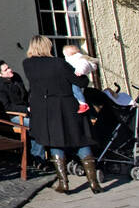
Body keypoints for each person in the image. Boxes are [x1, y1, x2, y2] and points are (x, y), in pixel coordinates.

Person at [22, 35, 101, 194]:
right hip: (66, 105)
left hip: (44, 108)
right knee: (80, 140)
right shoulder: (59, 63)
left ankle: (63, 183)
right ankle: (93, 182)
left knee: (55, 142)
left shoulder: (27, 64)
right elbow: (81, 82)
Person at [0, 59, 47, 166]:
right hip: (11, 116)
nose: (10, 70)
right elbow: (7, 107)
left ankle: (45, 156)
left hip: (26, 111)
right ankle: (38, 158)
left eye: (9, 67)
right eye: (6, 70)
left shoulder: (15, 77)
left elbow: (25, 94)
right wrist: (26, 110)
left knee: (48, 119)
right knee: (37, 126)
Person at [62, 44, 97, 114]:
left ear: (70, 52)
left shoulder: (77, 57)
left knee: (76, 90)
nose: (65, 56)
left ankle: (83, 104)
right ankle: (81, 103)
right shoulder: (73, 58)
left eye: (65, 54)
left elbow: (84, 64)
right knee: (77, 91)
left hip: (78, 77)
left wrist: (80, 71)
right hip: (77, 77)